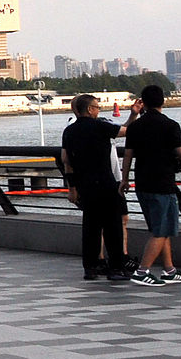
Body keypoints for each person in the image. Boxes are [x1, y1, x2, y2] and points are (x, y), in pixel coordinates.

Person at [123, 86, 181, 287]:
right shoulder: (170, 125)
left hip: (142, 182)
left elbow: (128, 155)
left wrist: (124, 179)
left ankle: (169, 270)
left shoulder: (135, 126)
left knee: (160, 228)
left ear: (143, 102)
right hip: (163, 182)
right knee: (161, 230)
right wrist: (179, 164)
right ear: (163, 101)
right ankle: (142, 271)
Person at [60, 94, 132, 281]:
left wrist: (72, 187)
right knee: (112, 227)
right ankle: (116, 268)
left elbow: (67, 161)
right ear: (90, 109)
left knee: (90, 228)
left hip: (85, 185)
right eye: (97, 107)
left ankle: (90, 268)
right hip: (106, 183)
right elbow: (125, 131)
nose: (99, 110)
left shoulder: (70, 131)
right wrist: (135, 116)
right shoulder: (100, 126)